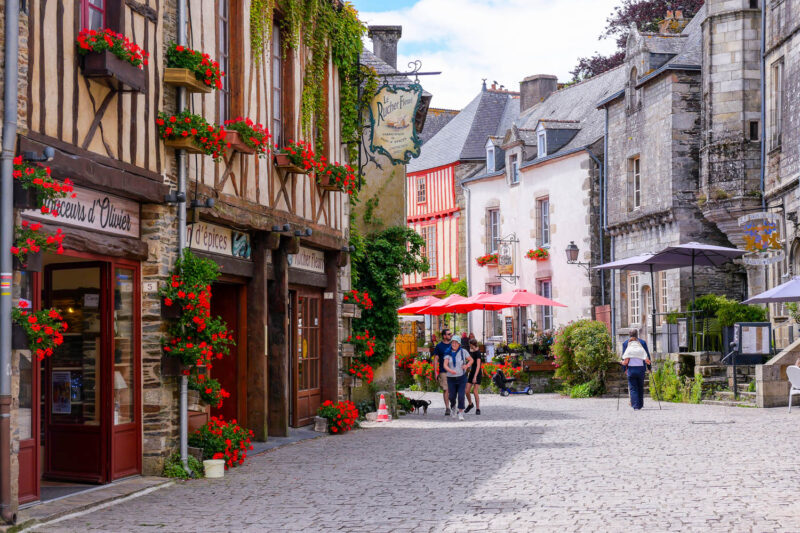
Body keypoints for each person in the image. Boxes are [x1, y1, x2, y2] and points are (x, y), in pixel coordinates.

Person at [443, 337, 473, 421]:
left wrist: (467, 366)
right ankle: (453, 407)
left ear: (459, 344)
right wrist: (450, 370)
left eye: (456, 343)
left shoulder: (463, 352)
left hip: (461, 378)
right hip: (451, 378)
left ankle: (460, 412)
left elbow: (471, 360)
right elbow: (445, 365)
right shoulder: (448, 352)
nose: (454, 344)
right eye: (452, 342)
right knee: (451, 396)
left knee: (461, 395)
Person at [621, 329, 651, 410]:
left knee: (633, 388)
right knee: (640, 386)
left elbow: (624, 357)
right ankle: (640, 404)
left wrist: (624, 368)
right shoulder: (642, 343)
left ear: (629, 334)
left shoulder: (626, 343)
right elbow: (647, 356)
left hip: (631, 368)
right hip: (641, 368)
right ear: (637, 334)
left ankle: (635, 405)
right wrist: (649, 368)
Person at [433, 329, 453, 415]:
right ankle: (447, 408)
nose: (450, 335)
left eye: (450, 334)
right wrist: (435, 372)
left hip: (453, 371)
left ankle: (453, 404)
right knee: (446, 389)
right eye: (449, 334)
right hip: (443, 371)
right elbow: (436, 359)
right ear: (444, 336)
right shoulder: (439, 346)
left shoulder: (453, 345)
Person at [465, 339, 482, 415]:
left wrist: (475, 376)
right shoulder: (471, 351)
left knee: (475, 391)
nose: (469, 346)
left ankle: (478, 408)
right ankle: (470, 404)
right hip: (471, 372)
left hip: (477, 373)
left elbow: (478, 366)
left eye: (470, 344)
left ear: (472, 344)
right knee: (467, 391)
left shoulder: (478, 353)